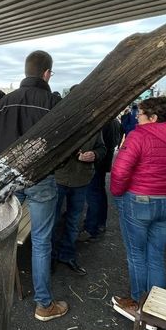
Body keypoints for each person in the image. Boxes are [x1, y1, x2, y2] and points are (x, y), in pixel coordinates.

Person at [0, 50, 65, 321]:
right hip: (41, 178)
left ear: (26, 71)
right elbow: (62, 141)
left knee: (0, 234)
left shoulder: (5, 101)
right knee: (41, 242)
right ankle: (43, 305)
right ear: (46, 73)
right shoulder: (54, 103)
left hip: (9, 179)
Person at [110, 96, 166, 327]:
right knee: (155, 255)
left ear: (153, 117)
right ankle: (157, 311)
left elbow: (120, 172)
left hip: (138, 200)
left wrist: (118, 194)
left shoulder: (139, 136)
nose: (137, 117)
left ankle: (140, 306)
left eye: (141, 114)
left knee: (136, 254)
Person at [52, 85, 106, 275]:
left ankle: (67, 255)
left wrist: (95, 154)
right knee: (54, 219)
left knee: (74, 221)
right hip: (59, 178)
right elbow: (51, 147)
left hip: (81, 179)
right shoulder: (60, 121)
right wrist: (73, 154)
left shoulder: (94, 124)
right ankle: (50, 258)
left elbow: (102, 148)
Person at [81, 118, 122, 241]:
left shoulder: (104, 123)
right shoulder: (114, 122)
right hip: (103, 163)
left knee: (93, 195)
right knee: (99, 193)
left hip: (96, 164)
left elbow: (99, 145)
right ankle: (99, 223)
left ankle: (91, 228)